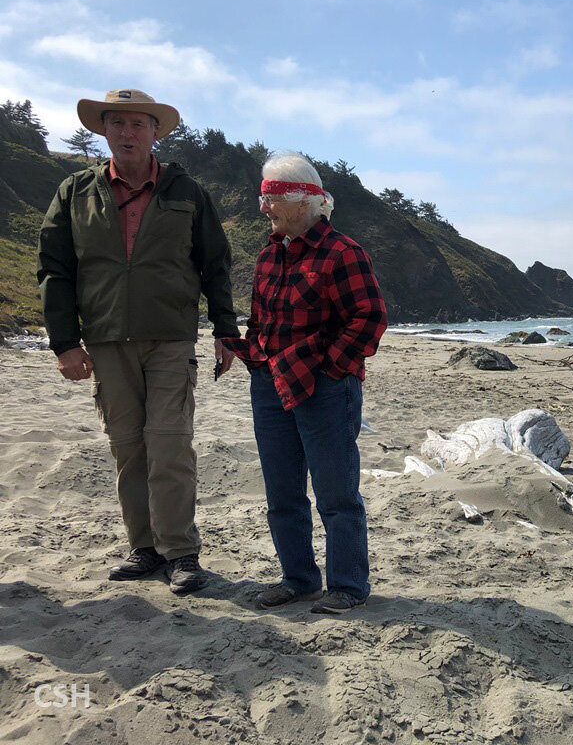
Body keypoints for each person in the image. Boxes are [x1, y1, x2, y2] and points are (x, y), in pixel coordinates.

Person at [37, 89, 239, 595]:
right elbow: (55, 271)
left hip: (170, 336)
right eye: (117, 123)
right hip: (105, 339)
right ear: (103, 130)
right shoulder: (74, 192)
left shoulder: (187, 192)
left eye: (138, 124)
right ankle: (144, 549)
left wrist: (225, 330)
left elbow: (215, 264)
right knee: (128, 448)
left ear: (156, 133)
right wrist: (64, 342)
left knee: (170, 444)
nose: (127, 133)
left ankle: (180, 551)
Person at [222, 152, 387, 613]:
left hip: (326, 389)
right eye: (263, 196)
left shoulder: (344, 252)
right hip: (270, 384)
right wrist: (255, 357)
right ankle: (298, 579)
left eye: (270, 197)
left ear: (301, 201)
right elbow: (260, 320)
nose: (263, 207)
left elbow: (369, 318)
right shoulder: (268, 255)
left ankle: (348, 586)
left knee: (336, 495)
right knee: (283, 492)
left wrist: (331, 368)